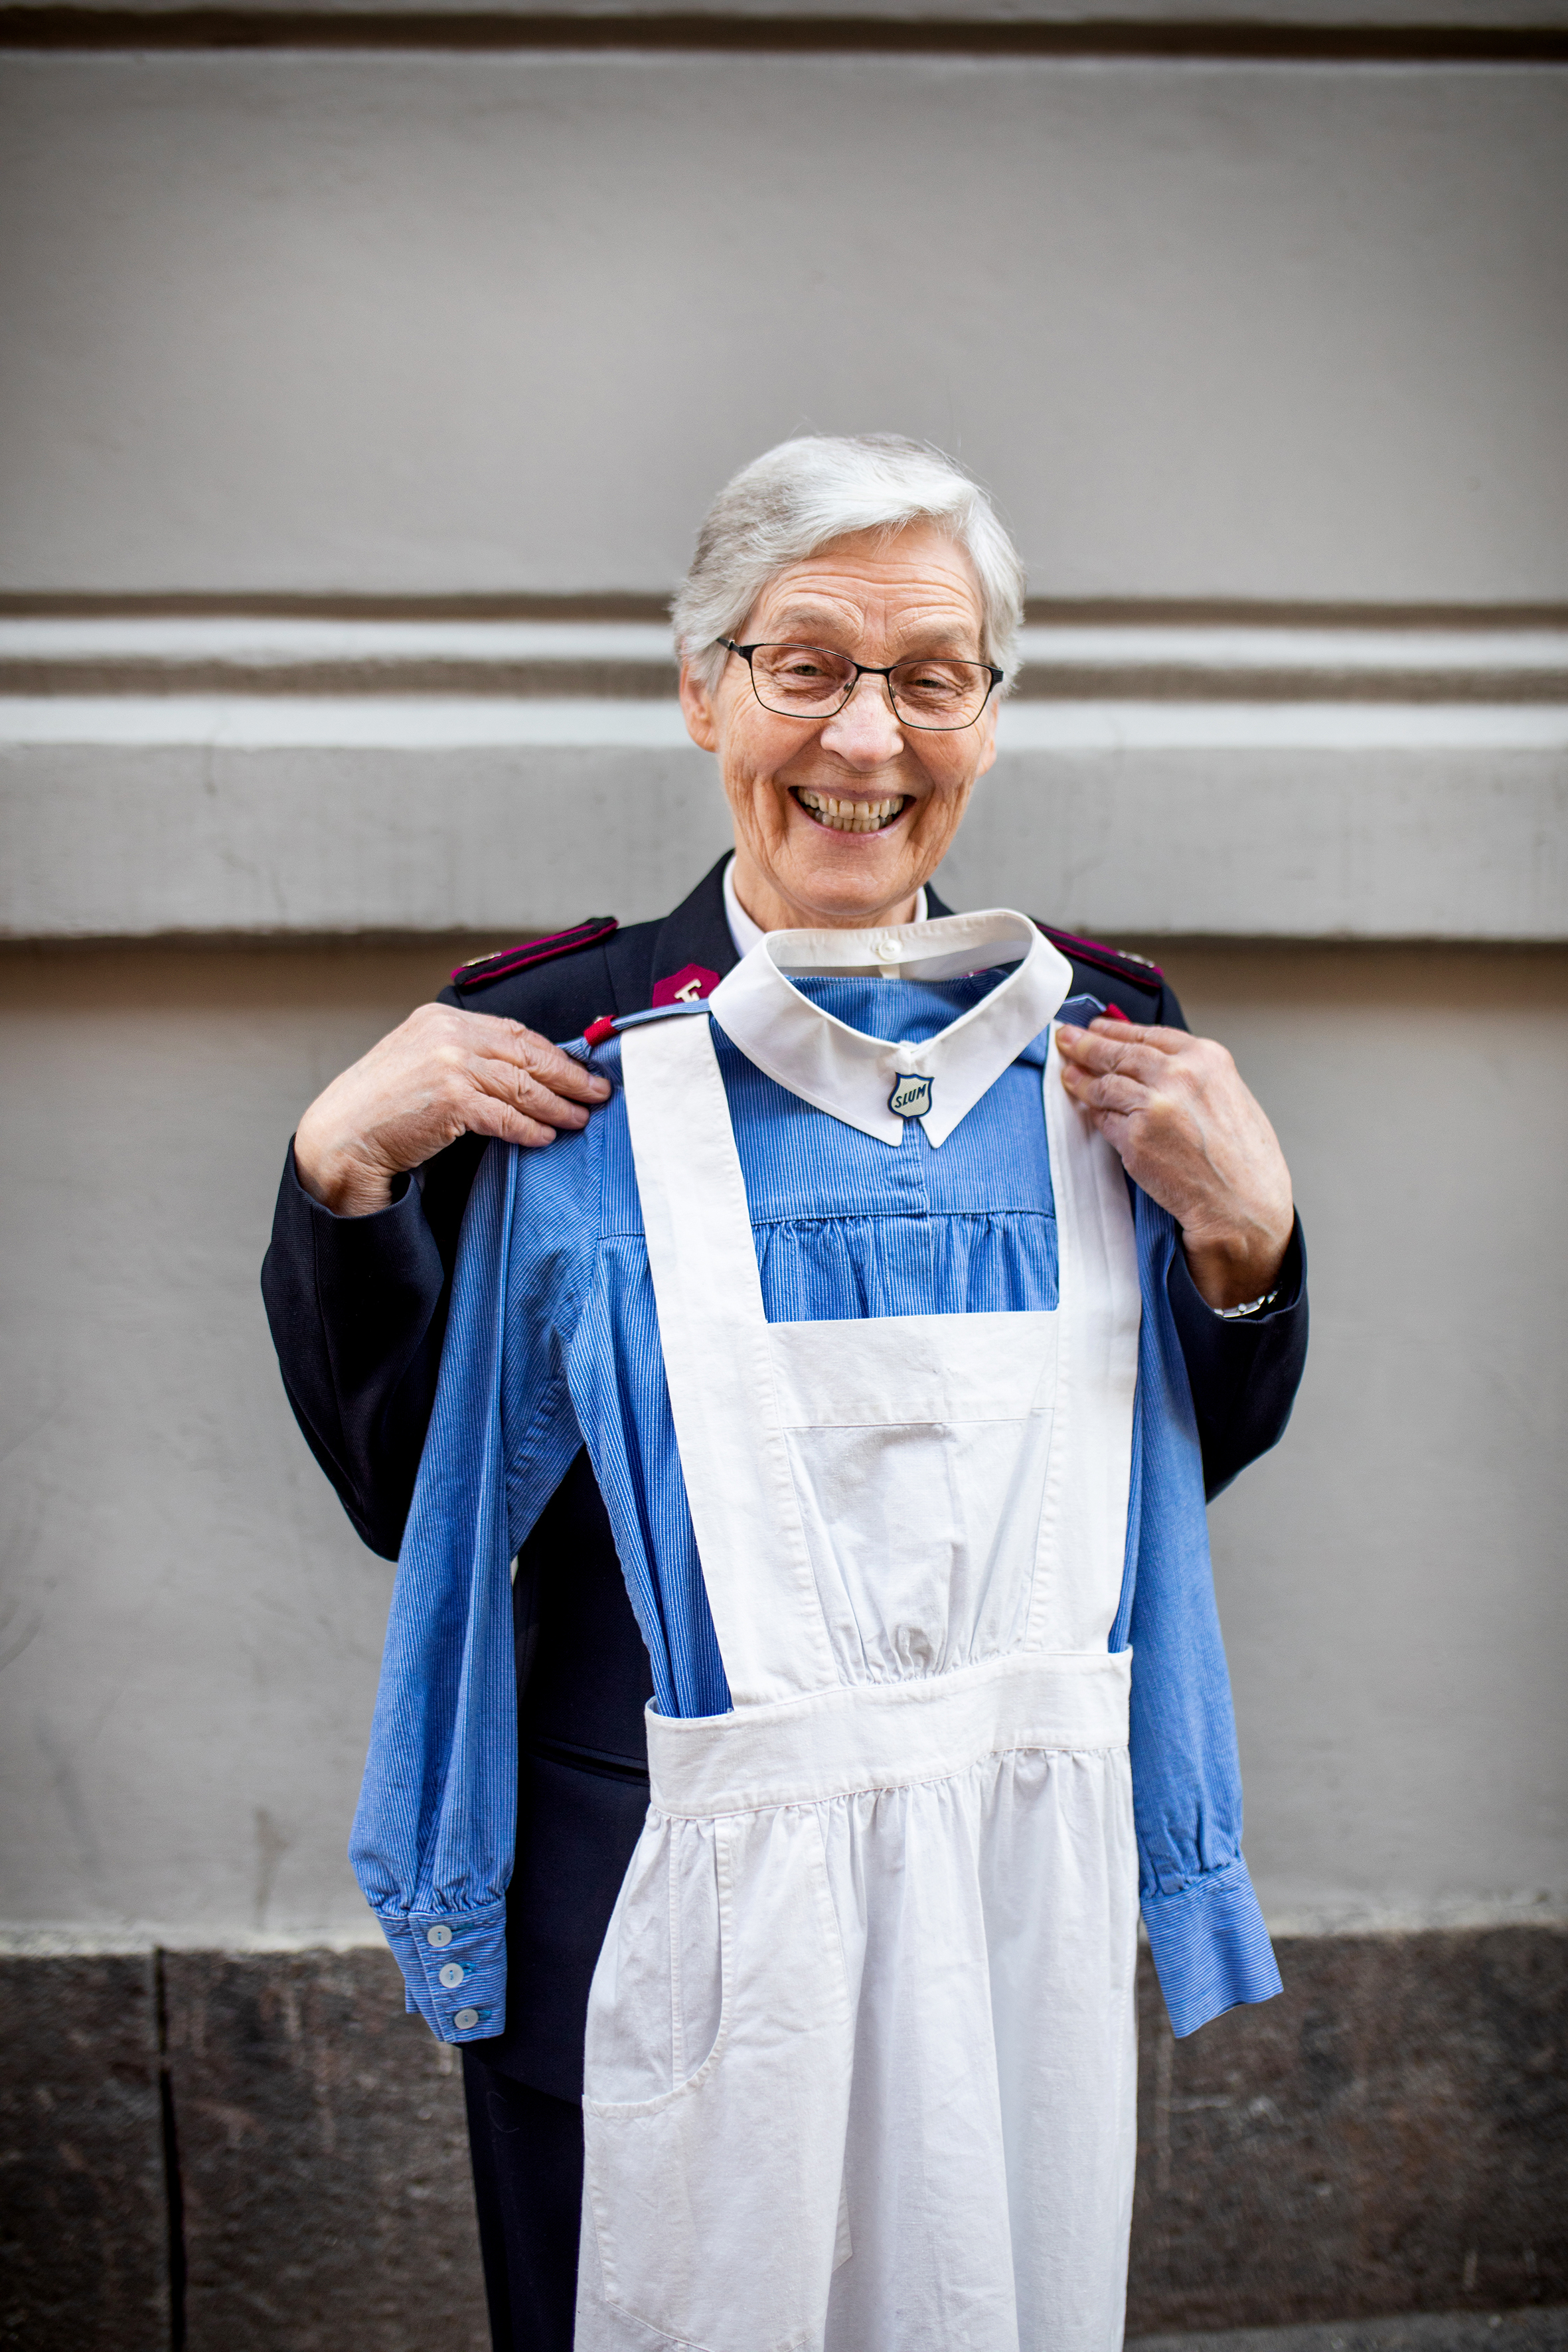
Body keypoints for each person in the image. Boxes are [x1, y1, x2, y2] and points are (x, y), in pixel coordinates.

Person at [262, 435, 1307, 2351]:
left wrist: (1251, 1250)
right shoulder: (542, 1049)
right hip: (625, 1879)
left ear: (987, 714)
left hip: (1002, 1879)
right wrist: (341, 1174)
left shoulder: (1110, 1050)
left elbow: (1145, 1466)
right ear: (703, 689)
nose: (866, 737)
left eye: (931, 678)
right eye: (806, 666)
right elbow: (414, 1485)